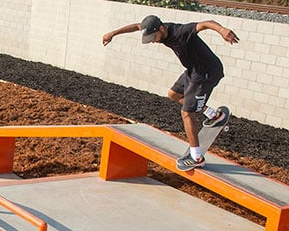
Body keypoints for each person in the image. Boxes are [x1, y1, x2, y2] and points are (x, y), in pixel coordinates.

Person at [102, 14, 238, 170]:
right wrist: (112, 33)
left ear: (161, 28)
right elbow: (136, 26)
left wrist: (222, 30)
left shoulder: (181, 31)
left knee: (187, 112)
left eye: (154, 37)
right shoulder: (156, 27)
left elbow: (205, 24)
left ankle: (196, 157)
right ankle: (214, 115)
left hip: (206, 73)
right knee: (173, 95)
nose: (153, 41)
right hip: (193, 70)